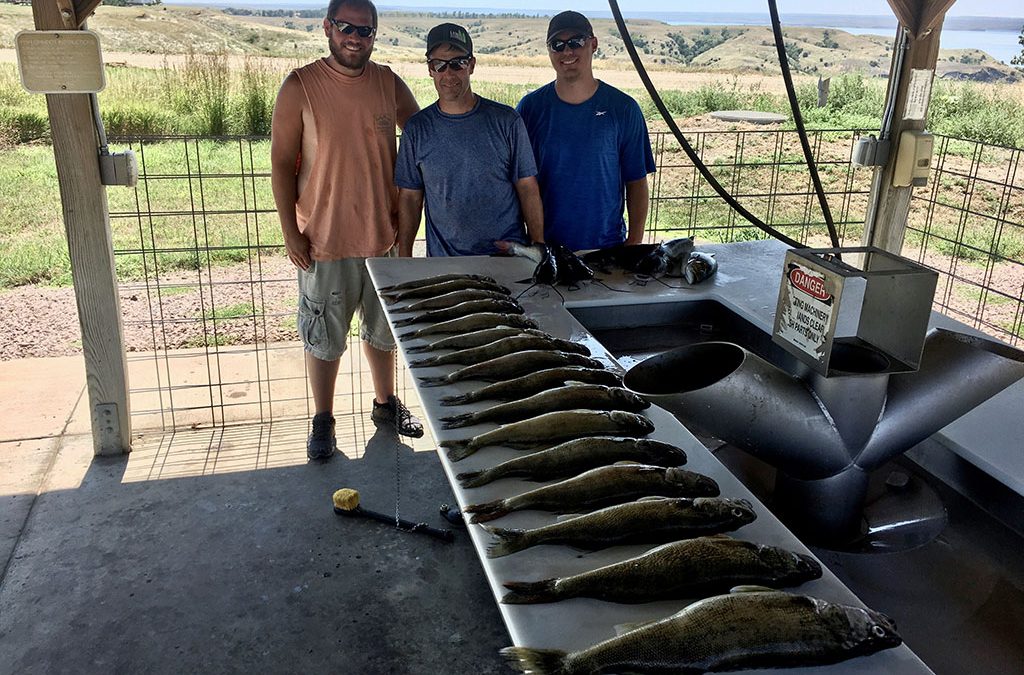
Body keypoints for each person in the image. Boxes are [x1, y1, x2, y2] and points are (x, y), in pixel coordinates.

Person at [270, 0, 424, 460]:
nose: (355, 38)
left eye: (365, 30)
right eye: (346, 27)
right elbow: (280, 164)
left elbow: (422, 136)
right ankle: (323, 419)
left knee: (383, 332)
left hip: (383, 236)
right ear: (327, 27)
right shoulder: (300, 86)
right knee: (324, 336)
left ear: (375, 35)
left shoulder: (388, 83)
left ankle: (385, 403)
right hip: (323, 237)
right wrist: (290, 232)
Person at [395, 23, 544, 257]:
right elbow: (411, 197)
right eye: (439, 65)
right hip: (445, 262)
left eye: (457, 63)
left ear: (471, 65)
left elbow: (527, 187)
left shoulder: (507, 121)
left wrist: (538, 246)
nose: (448, 74)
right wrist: (405, 255)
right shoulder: (417, 129)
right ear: (430, 69)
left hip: (507, 257)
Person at [516, 10, 656, 252]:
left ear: (593, 44)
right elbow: (520, 182)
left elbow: (636, 181)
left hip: (606, 250)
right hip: (547, 250)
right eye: (557, 45)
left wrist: (633, 243)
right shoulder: (530, 109)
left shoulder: (623, 109)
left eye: (576, 42)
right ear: (549, 51)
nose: (567, 52)